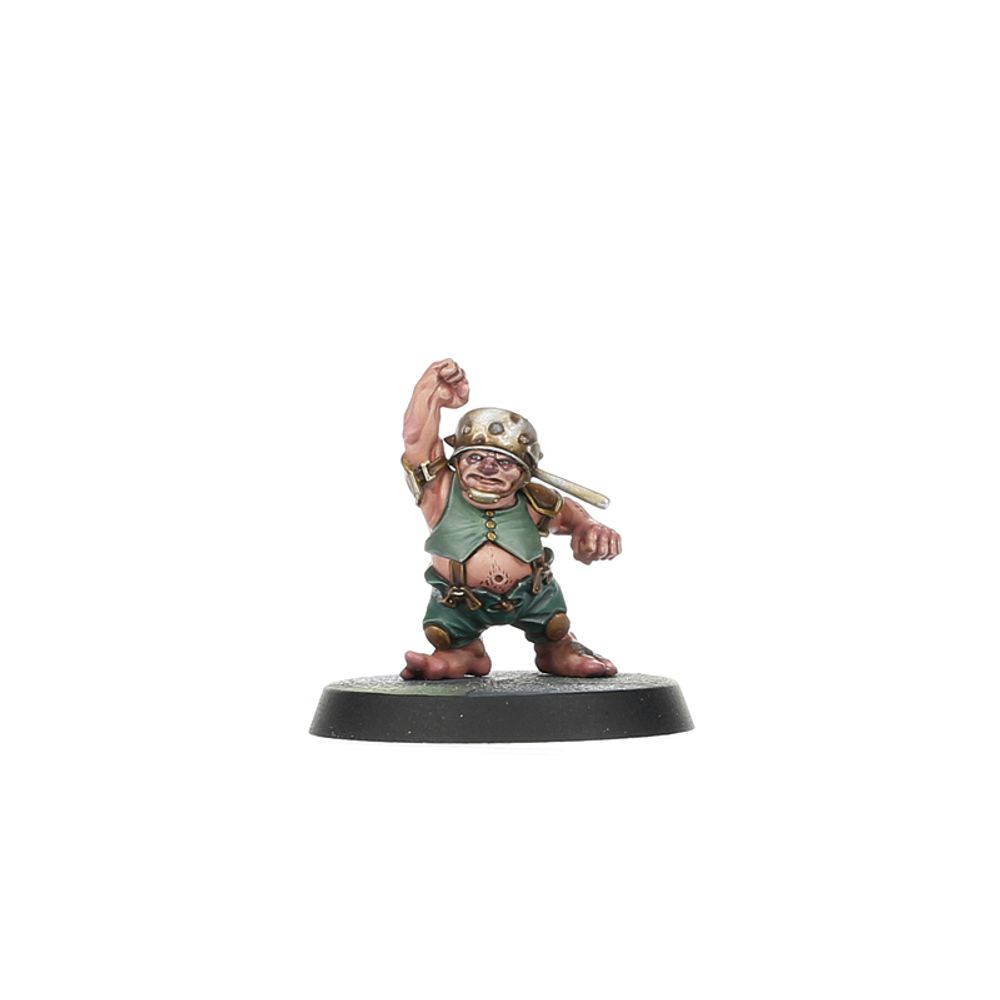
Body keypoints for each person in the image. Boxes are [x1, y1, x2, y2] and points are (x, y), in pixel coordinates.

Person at [400, 359, 622, 680]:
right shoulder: (441, 493)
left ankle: (557, 651)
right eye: (475, 457)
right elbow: (416, 440)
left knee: (554, 628)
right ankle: (463, 653)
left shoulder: (534, 501)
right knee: (445, 634)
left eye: (504, 463)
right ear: (457, 462)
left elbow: (570, 515)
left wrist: (589, 528)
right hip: (459, 601)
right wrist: (429, 392)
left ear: (524, 473)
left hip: (533, 595)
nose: (488, 468)